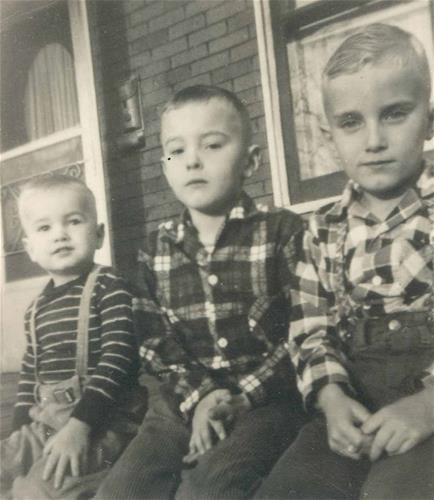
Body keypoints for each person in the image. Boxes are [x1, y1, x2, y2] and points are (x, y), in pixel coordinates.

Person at [94, 85, 306, 500]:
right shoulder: (154, 250)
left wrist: (242, 397)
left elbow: (302, 332)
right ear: (165, 167)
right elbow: (155, 344)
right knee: (121, 492)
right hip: (180, 400)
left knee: (208, 490)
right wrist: (202, 397)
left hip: (266, 401)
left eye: (212, 145)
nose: (192, 159)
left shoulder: (283, 232)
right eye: (177, 150)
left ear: (251, 161)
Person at [254, 23, 434, 500]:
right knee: (287, 491)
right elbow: (310, 331)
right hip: (354, 408)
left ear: (430, 120)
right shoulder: (322, 230)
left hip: (430, 411)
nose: (374, 140)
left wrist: (429, 406)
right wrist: (331, 397)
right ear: (328, 134)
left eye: (394, 114)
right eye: (351, 122)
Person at [0, 174, 142, 499]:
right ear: (30, 249)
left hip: (101, 422)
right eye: (44, 228)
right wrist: (20, 435)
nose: (60, 234)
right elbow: (29, 376)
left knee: (38, 490)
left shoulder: (109, 287)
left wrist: (80, 426)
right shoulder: (36, 308)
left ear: (99, 234)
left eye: (74, 221)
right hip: (46, 423)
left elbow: (118, 359)